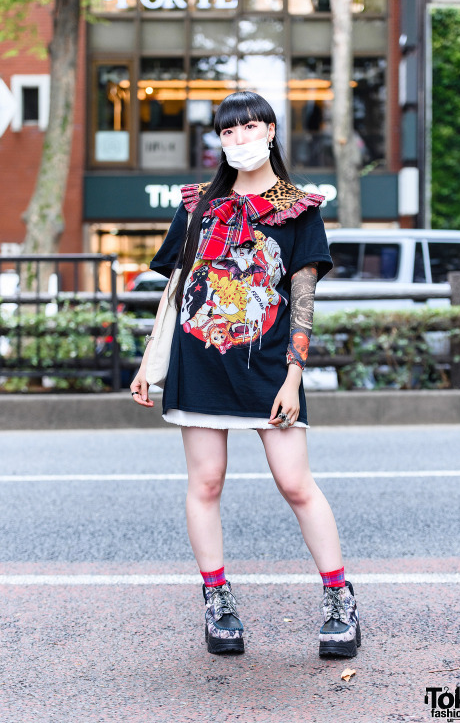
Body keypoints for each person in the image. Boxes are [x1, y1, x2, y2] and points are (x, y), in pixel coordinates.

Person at [130, 91, 361, 658]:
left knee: (295, 483)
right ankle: (217, 601)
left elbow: (302, 297)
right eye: (228, 132)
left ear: (272, 131)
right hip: (199, 361)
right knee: (205, 483)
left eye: (250, 128)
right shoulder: (196, 207)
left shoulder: (298, 207)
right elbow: (177, 287)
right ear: (219, 140)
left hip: (269, 366)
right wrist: (148, 363)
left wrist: (293, 374)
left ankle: (340, 601)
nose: (239, 140)